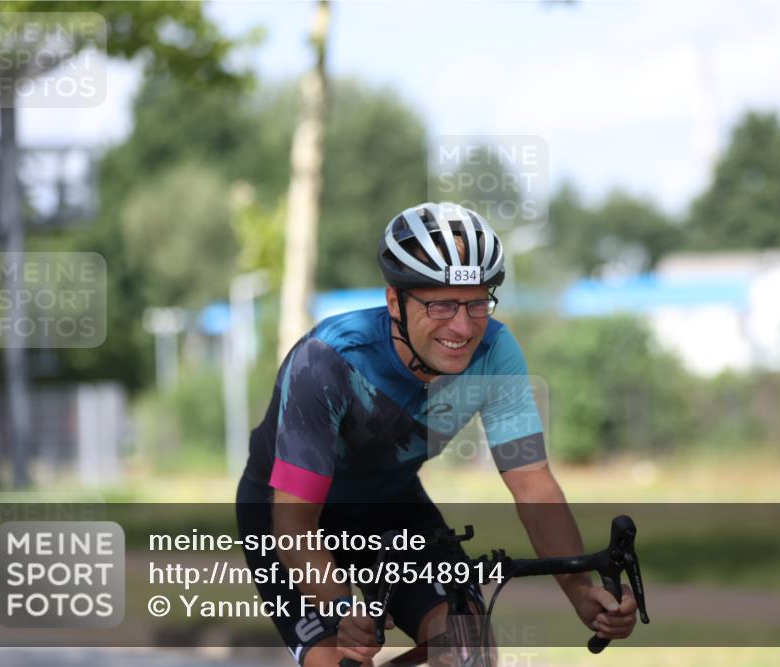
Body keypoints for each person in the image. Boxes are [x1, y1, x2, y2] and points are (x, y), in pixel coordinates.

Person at [236, 202, 637, 666]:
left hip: (391, 506)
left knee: (467, 645)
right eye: (441, 304)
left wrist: (580, 590)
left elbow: (532, 482)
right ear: (395, 303)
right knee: (340, 658)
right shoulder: (326, 361)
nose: (463, 326)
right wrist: (342, 607)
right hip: (289, 518)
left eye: (476, 302)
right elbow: (294, 524)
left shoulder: (496, 354)